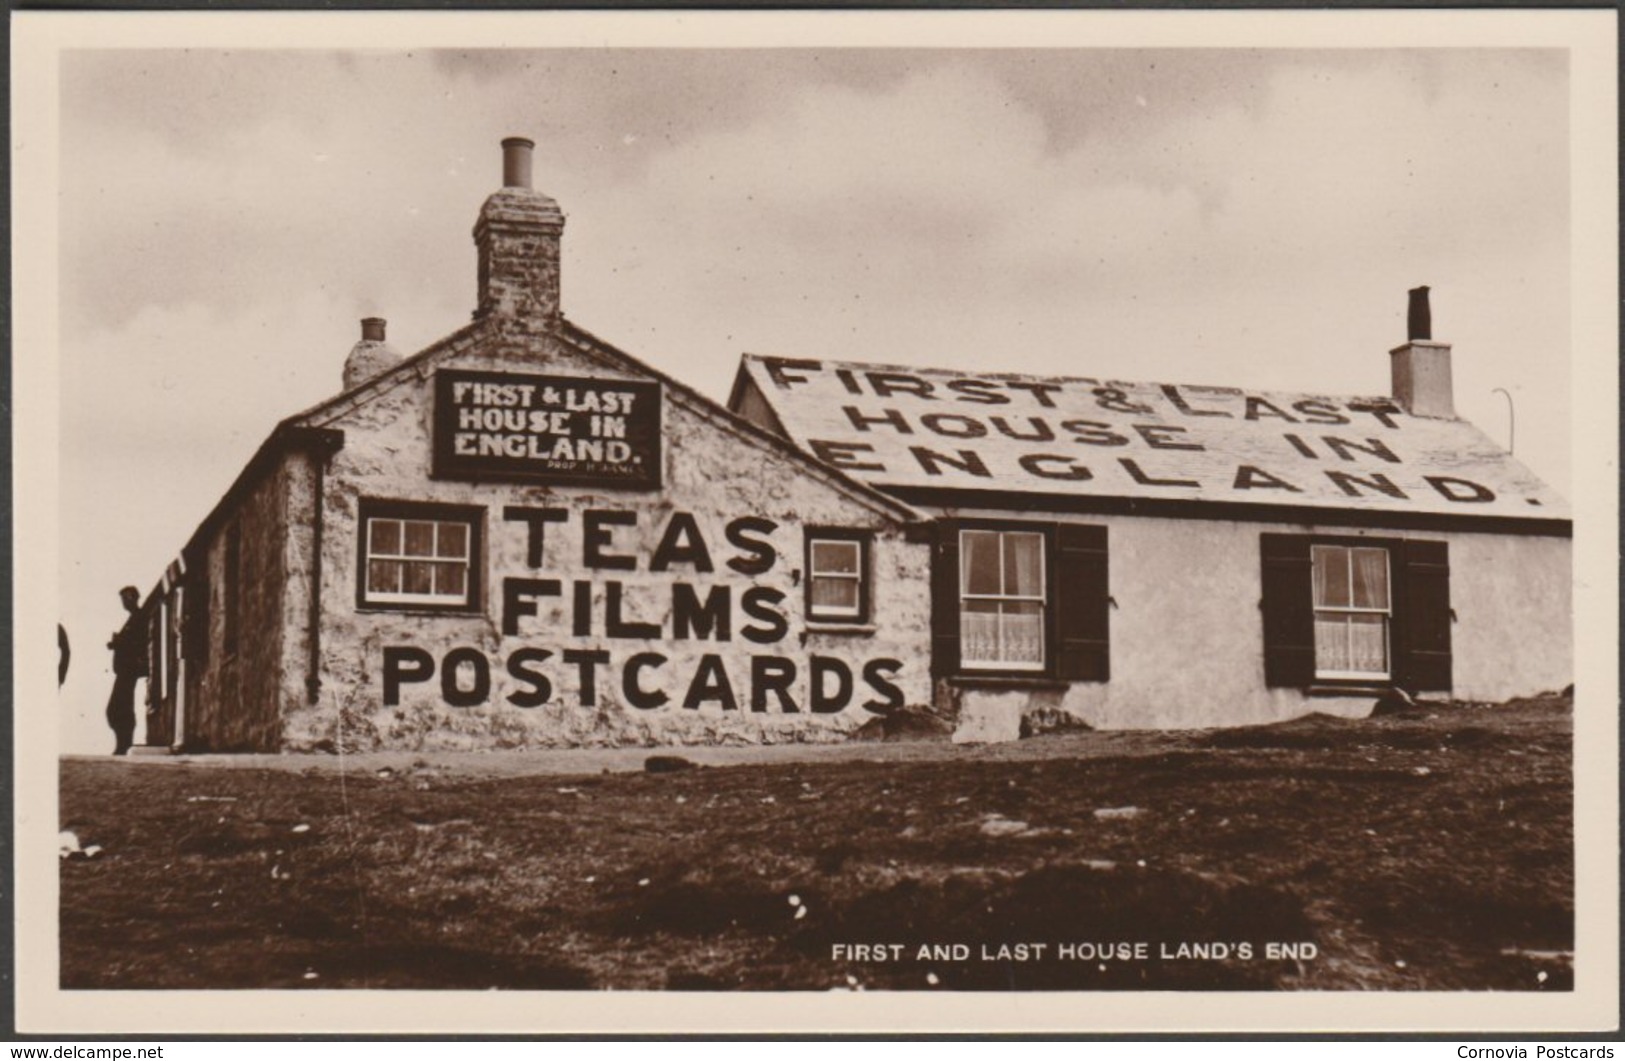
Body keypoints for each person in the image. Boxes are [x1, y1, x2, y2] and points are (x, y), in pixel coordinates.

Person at [106, 587, 147, 755]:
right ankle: (123, 744)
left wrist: (118, 643)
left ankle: (124, 744)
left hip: (128, 670)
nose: (123, 603)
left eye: (124, 599)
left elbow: (137, 643)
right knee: (119, 707)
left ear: (131, 598)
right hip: (125, 670)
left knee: (117, 708)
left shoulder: (138, 617)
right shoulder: (134, 618)